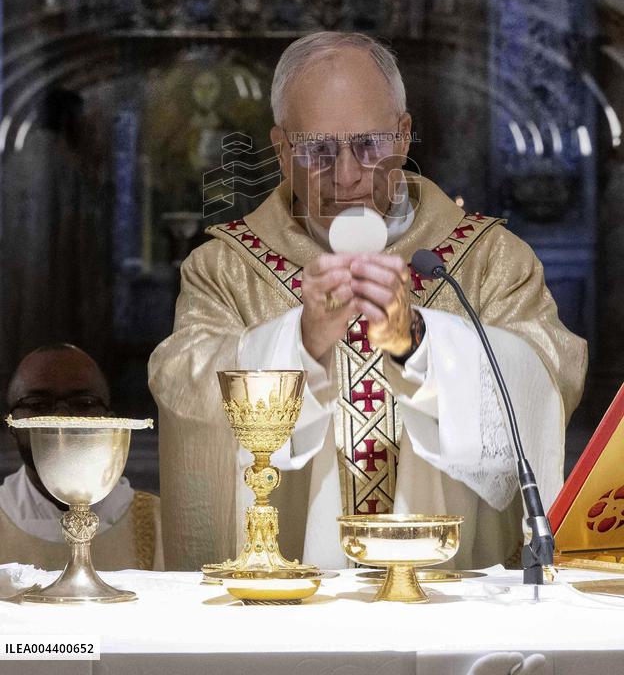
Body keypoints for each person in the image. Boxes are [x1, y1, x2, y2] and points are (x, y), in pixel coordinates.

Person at [149, 31, 587, 571]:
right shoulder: (226, 269)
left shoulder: (488, 258)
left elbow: (549, 371)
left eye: (369, 145)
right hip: (289, 600)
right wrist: (300, 343)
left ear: (403, 136)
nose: (348, 175)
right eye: (319, 151)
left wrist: (423, 343)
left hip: (450, 594)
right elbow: (182, 382)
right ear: (282, 150)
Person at [1, 345, 164, 570]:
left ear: (110, 421)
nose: (62, 418)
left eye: (83, 403)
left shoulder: (159, 523)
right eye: (38, 404)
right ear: (11, 424)